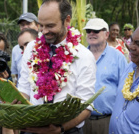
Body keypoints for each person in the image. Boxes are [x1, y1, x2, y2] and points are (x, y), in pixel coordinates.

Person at [17, 0, 96, 133]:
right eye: (41, 25)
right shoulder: (31, 48)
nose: (44, 31)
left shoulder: (84, 56)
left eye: (50, 25)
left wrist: (60, 129)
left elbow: (86, 105)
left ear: (67, 20)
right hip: (33, 128)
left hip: (67, 129)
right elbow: (24, 88)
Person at [82, 18, 128, 134]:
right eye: (88, 31)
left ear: (106, 34)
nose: (91, 33)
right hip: (80, 121)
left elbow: (126, 90)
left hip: (107, 121)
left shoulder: (118, 58)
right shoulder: (79, 56)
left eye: (96, 31)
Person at [11, 13, 39, 85]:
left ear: (37, 26)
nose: (25, 27)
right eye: (22, 25)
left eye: (28, 23)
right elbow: (17, 76)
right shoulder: (15, 49)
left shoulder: (44, 46)